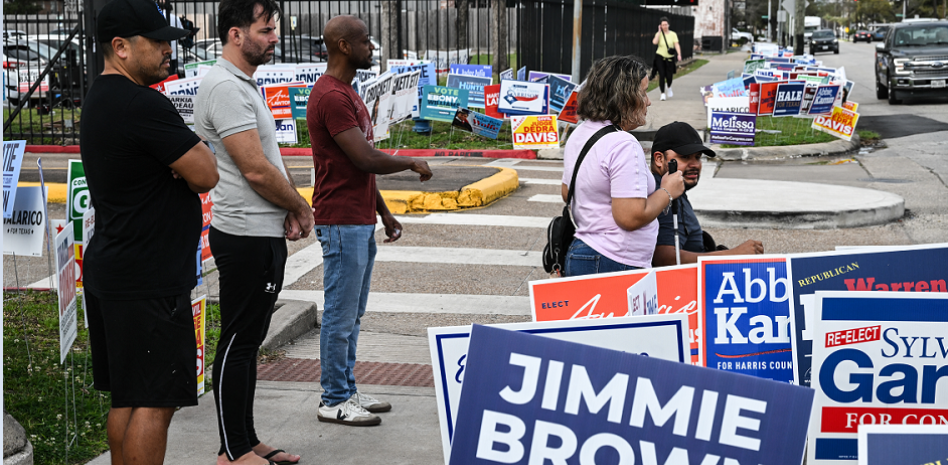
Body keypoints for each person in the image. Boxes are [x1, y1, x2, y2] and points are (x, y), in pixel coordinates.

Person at [79, 0, 219, 463]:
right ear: (120, 47)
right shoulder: (142, 103)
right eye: (156, 41)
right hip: (148, 277)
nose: (166, 49)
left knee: (127, 396)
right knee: (155, 402)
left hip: (115, 268)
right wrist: (186, 159)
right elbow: (206, 173)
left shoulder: (99, 96)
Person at [194, 0, 312, 463]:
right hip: (243, 235)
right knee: (238, 342)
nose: (274, 37)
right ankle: (231, 450)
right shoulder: (225, 86)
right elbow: (255, 170)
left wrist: (286, 210)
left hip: (259, 231)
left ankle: (246, 439)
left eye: (274, 29)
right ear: (235, 34)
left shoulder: (242, 84)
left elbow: (264, 165)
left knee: (248, 341)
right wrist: (300, 206)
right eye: (265, 30)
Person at [306, 15, 433, 426]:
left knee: (353, 315)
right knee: (340, 316)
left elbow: (358, 168)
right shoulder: (330, 96)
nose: (371, 48)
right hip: (341, 221)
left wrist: (384, 212)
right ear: (343, 45)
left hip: (358, 219)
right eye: (364, 41)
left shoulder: (348, 92)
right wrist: (411, 161)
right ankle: (334, 398)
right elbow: (364, 158)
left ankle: (346, 388)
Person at [561, 55, 685, 277]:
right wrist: (667, 191)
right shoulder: (623, 143)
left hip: (585, 252)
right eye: (644, 92)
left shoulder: (580, 133)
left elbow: (566, 191)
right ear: (624, 97)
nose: (648, 101)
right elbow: (629, 217)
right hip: (615, 260)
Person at [649, 122, 764, 266]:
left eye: (697, 157)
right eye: (685, 157)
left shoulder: (674, 189)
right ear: (659, 159)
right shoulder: (662, 194)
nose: (695, 164)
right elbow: (664, 258)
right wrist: (732, 255)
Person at [651, 16, 681, 102]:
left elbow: (676, 44)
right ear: (660, 26)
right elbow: (654, 42)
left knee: (669, 76)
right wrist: (659, 31)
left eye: (666, 24)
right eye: (663, 25)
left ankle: (669, 87)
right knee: (662, 74)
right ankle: (662, 93)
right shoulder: (659, 34)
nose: (664, 26)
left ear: (668, 25)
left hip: (670, 58)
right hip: (660, 56)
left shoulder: (673, 34)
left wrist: (679, 54)